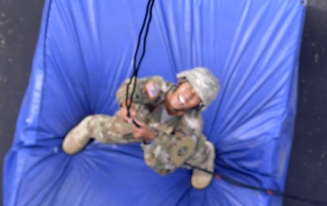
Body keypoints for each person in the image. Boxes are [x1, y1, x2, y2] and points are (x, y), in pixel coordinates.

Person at [62, 67, 220, 190]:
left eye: (196, 96)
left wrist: (150, 139)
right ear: (180, 82)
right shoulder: (158, 87)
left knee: (188, 154)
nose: (188, 95)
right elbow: (130, 87)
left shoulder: (192, 126)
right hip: (142, 122)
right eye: (189, 86)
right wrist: (126, 104)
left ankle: (205, 155)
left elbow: (166, 165)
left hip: (166, 141)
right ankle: (91, 125)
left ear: (198, 105)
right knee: (118, 127)